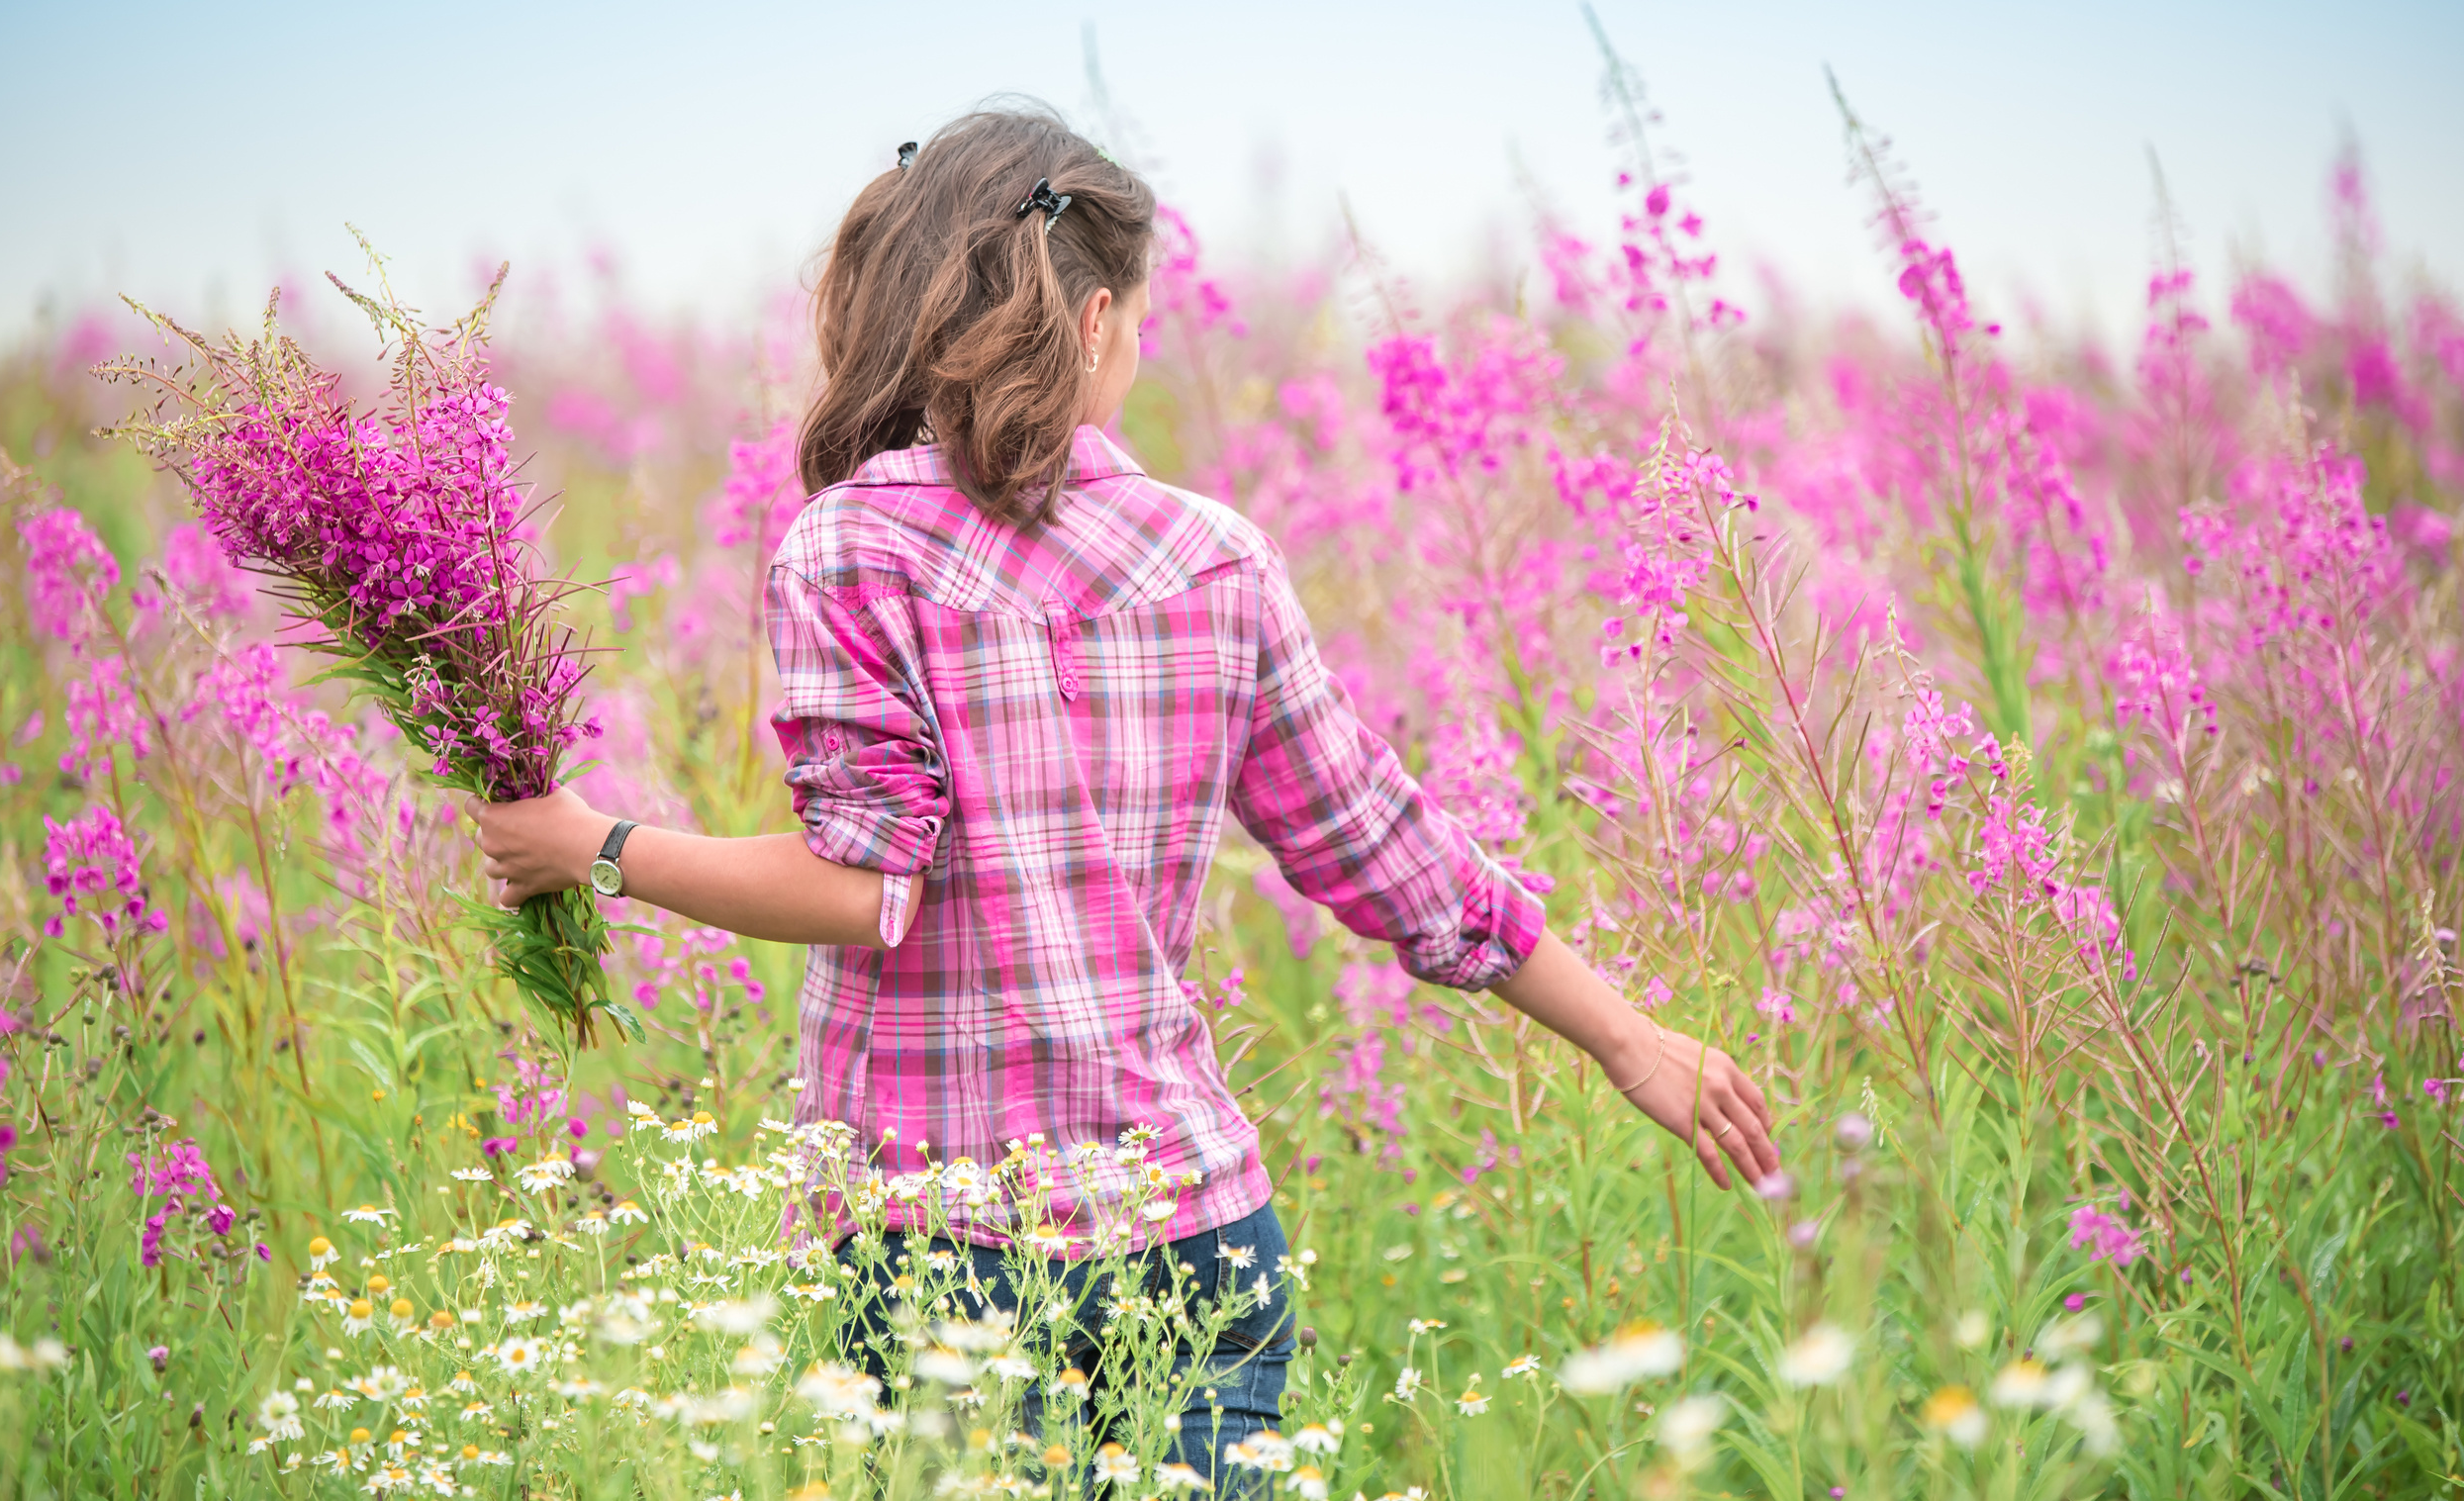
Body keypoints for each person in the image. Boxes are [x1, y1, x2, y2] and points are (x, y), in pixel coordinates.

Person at [465, 102, 1780, 1487]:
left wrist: (595, 844)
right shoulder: (1213, 554)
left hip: (947, 1257)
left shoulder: (850, 544)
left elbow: (864, 889)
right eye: (1142, 319)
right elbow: (1385, 851)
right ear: (1091, 320)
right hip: (1196, 1235)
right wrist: (1628, 1037)